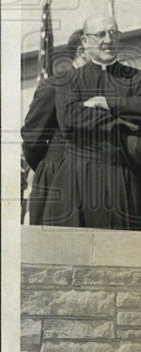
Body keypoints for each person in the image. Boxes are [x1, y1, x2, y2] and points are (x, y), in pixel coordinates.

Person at [46, 14, 141, 230]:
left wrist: (107, 102)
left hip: (125, 177)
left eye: (113, 33)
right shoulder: (69, 79)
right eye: (100, 34)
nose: (108, 40)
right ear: (85, 42)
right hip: (79, 179)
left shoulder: (139, 78)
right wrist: (125, 120)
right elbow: (69, 118)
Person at [22, 29, 85, 225]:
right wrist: (51, 165)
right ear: (82, 50)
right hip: (59, 183)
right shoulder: (54, 85)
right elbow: (32, 137)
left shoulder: (105, 88)